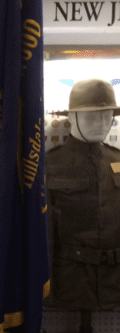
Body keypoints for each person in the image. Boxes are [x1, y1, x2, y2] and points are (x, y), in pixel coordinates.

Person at [46, 78, 120, 315]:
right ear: (72, 117)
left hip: (114, 282)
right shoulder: (49, 164)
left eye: (107, 116)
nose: (100, 123)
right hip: (70, 281)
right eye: (91, 116)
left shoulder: (118, 160)